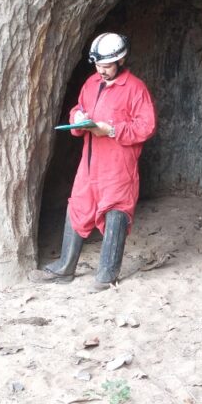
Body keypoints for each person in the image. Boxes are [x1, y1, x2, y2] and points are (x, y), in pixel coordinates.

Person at [31, 32, 156, 290]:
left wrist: (112, 130)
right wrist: (78, 119)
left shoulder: (135, 88)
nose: (102, 70)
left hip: (118, 163)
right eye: (98, 65)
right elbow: (79, 108)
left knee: (116, 208)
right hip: (90, 161)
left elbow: (146, 126)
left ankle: (107, 274)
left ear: (121, 61)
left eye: (107, 66)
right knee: (78, 203)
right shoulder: (91, 83)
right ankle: (65, 267)